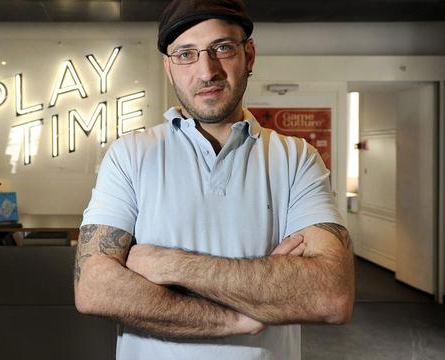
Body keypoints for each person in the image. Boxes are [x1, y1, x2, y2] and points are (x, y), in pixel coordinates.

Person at [74, 0, 355, 359]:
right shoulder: (129, 156)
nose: (206, 71)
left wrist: (167, 264)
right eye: (186, 54)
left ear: (249, 55)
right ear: (169, 68)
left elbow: (330, 295)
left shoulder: (296, 159)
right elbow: (94, 288)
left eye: (221, 48)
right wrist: (241, 317)